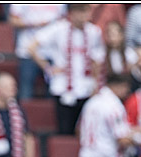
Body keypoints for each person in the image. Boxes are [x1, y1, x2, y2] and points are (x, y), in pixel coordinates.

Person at [28, 4, 104, 136]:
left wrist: (95, 84)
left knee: (86, 131)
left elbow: (97, 60)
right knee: (65, 131)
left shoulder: (94, 32)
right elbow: (32, 47)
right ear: (71, 13)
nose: (83, 16)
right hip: (63, 87)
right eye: (79, 12)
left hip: (85, 87)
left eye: (85, 12)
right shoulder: (59, 28)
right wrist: (48, 67)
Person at [9, 4, 66, 101]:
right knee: (26, 91)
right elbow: (13, 20)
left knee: (53, 92)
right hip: (28, 51)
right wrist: (36, 23)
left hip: (52, 53)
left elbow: (64, 20)